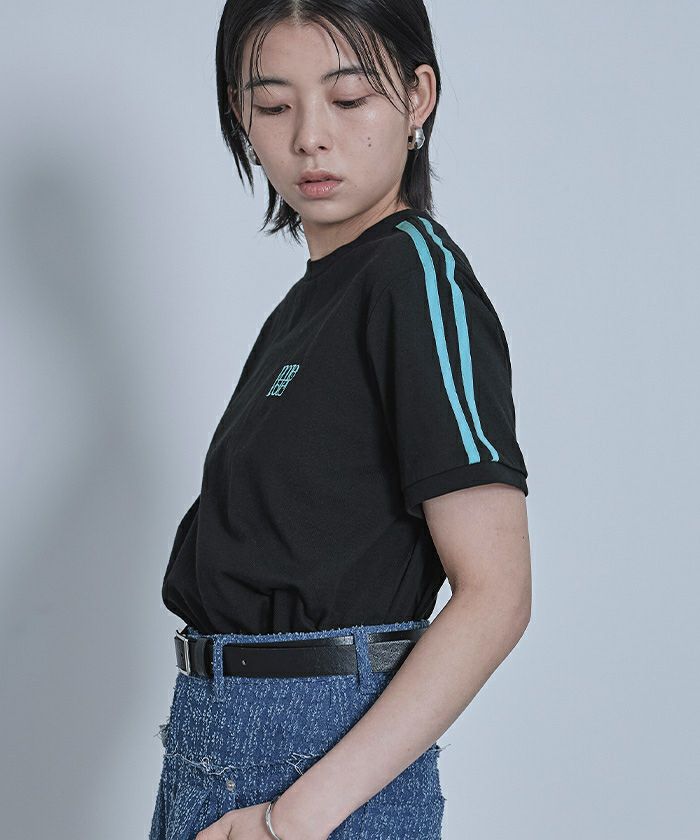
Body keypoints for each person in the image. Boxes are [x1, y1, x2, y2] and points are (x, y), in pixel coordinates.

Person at [149, 2, 532, 839]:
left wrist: (293, 818)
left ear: (418, 96)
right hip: (215, 735)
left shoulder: (416, 280)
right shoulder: (308, 305)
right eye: (273, 105)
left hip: (316, 762)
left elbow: (496, 595)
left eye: (349, 98)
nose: (310, 138)